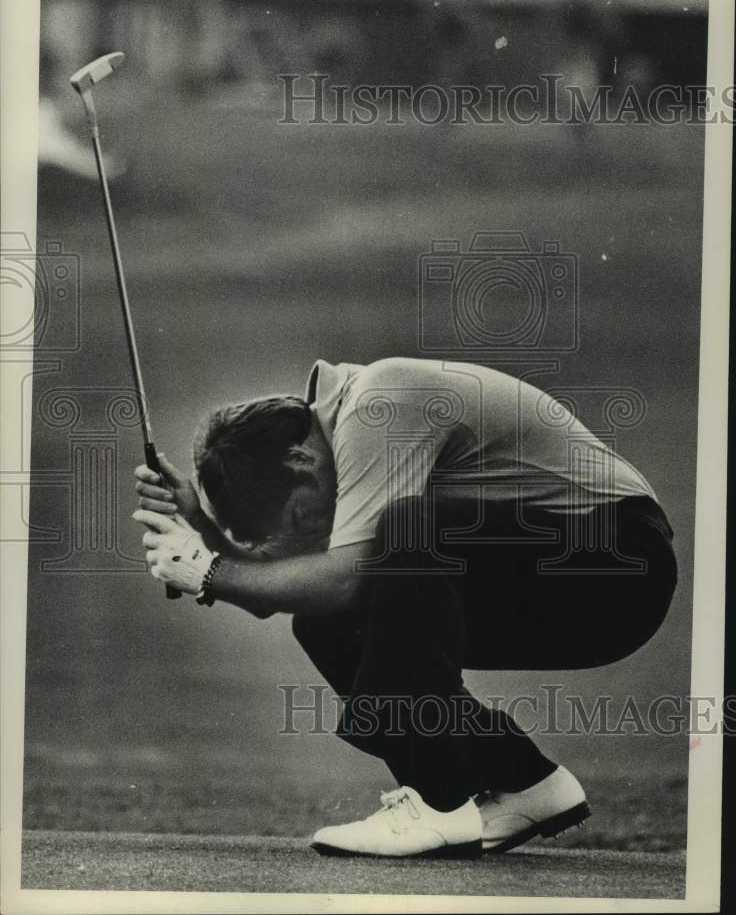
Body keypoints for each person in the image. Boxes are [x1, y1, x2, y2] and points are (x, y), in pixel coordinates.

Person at [133, 357, 677, 859]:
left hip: (622, 568)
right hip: (566, 579)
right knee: (328, 619)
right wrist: (200, 534)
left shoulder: (378, 406)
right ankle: (524, 780)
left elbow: (339, 582)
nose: (308, 534)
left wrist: (209, 572)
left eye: (300, 518)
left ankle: (439, 803)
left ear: (299, 457)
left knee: (405, 531)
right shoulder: (340, 434)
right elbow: (293, 593)